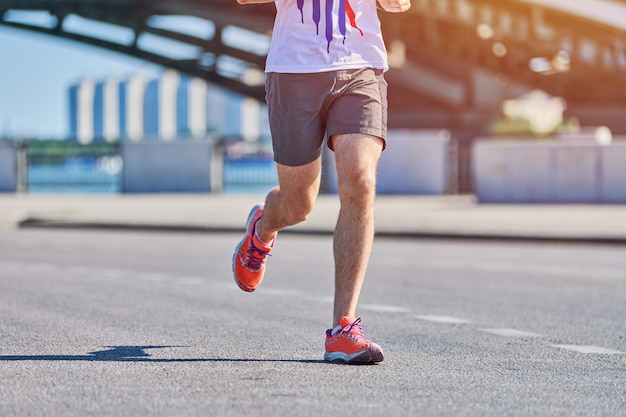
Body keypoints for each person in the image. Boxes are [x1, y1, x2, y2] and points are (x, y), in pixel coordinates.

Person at [233, 0, 411, 364]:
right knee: (299, 205)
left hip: (361, 66)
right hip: (293, 72)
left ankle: (343, 330)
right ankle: (263, 228)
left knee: (360, 181)